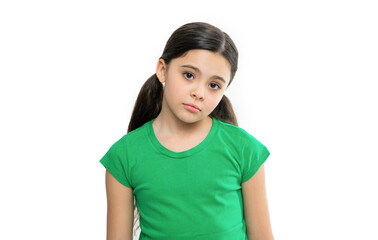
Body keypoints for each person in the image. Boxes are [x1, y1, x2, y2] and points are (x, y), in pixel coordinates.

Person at [99, 22, 274, 240]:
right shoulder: (123, 156)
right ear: (163, 70)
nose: (199, 93)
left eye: (214, 85)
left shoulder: (244, 149)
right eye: (189, 75)